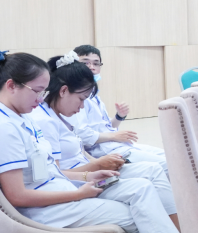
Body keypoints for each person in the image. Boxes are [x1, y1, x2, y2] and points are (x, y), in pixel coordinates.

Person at [0, 51, 191, 233]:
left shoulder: (22, 118)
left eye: (43, 91)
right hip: (47, 210)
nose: (41, 98)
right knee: (138, 215)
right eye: (36, 91)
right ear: (11, 85)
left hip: (63, 191)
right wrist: (78, 192)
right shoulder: (6, 127)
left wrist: (87, 175)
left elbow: (49, 171)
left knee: (143, 187)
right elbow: (17, 196)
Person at [66, 45, 168, 176]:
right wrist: (114, 136)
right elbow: (82, 135)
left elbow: (106, 127)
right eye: (86, 63)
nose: (91, 67)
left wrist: (119, 117)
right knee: (167, 165)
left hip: (117, 145)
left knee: (170, 156)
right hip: (104, 151)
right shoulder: (76, 97)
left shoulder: (94, 95)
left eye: (96, 63)